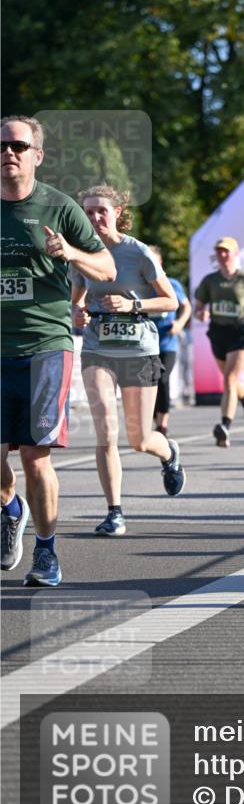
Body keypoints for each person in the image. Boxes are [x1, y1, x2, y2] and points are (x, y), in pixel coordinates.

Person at [1, 115, 116, 585]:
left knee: (35, 455)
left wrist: (70, 253)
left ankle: (46, 553)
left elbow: (106, 268)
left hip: (45, 346)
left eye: (18, 146)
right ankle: (11, 508)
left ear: (37, 155)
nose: (9, 152)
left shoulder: (59, 207)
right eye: (1, 145)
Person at [71, 186, 186, 536]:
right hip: (97, 349)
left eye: (101, 211)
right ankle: (114, 511)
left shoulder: (137, 253)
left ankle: (167, 453)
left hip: (138, 349)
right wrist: (79, 314)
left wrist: (132, 305)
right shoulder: (82, 255)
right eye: (87, 212)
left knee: (138, 439)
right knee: (105, 430)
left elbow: (171, 302)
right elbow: (77, 302)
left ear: (118, 212)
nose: (94, 219)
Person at [194, 237, 244, 447]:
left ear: (235, 253)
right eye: (219, 252)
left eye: (226, 251)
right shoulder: (210, 281)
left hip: (240, 332)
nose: (223, 256)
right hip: (218, 332)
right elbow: (199, 306)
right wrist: (200, 314)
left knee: (230, 380)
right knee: (231, 380)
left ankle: (224, 426)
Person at [147, 246, 192, 436]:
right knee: (150, 382)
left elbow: (186, 306)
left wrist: (180, 323)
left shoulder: (172, 284)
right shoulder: (142, 285)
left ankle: (162, 423)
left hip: (167, 342)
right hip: (146, 343)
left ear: (161, 263)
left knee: (163, 379)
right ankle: (154, 419)